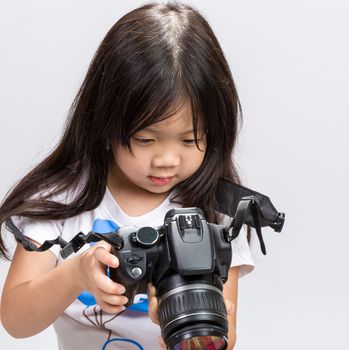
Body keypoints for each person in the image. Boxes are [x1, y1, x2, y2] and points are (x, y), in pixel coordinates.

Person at [0, 2, 254, 349]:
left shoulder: (215, 215)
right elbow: (15, 319)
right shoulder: (61, 200)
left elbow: (226, 337)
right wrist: (76, 273)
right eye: (146, 139)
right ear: (105, 123)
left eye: (190, 140)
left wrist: (192, 330)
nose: (166, 160)